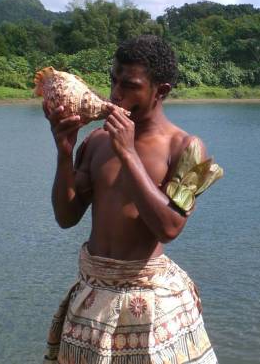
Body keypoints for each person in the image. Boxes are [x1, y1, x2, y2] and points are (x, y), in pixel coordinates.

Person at [42, 35, 222, 364]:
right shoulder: (96, 142)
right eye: (113, 81)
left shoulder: (186, 149)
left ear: (161, 91)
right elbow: (66, 217)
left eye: (130, 85)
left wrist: (128, 153)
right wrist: (64, 152)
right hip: (93, 294)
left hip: (149, 301)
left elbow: (169, 227)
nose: (115, 93)